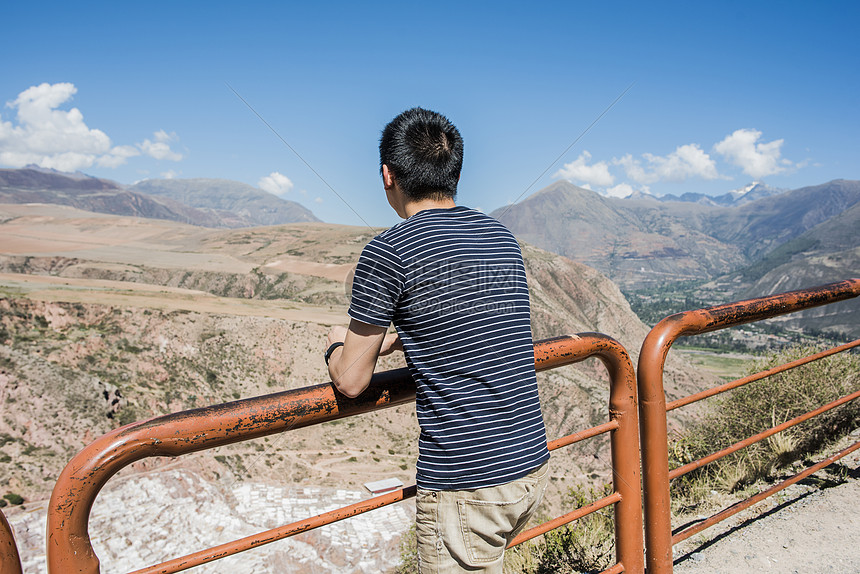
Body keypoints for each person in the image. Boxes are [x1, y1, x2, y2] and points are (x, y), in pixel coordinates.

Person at [325, 107, 549, 573]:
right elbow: (469, 316)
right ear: (457, 173)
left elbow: (350, 382)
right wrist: (404, 337)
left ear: (388, 175)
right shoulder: (499, 236)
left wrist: (334, 347)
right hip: (529, 462)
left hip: (469, 485)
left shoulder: (388, 252)